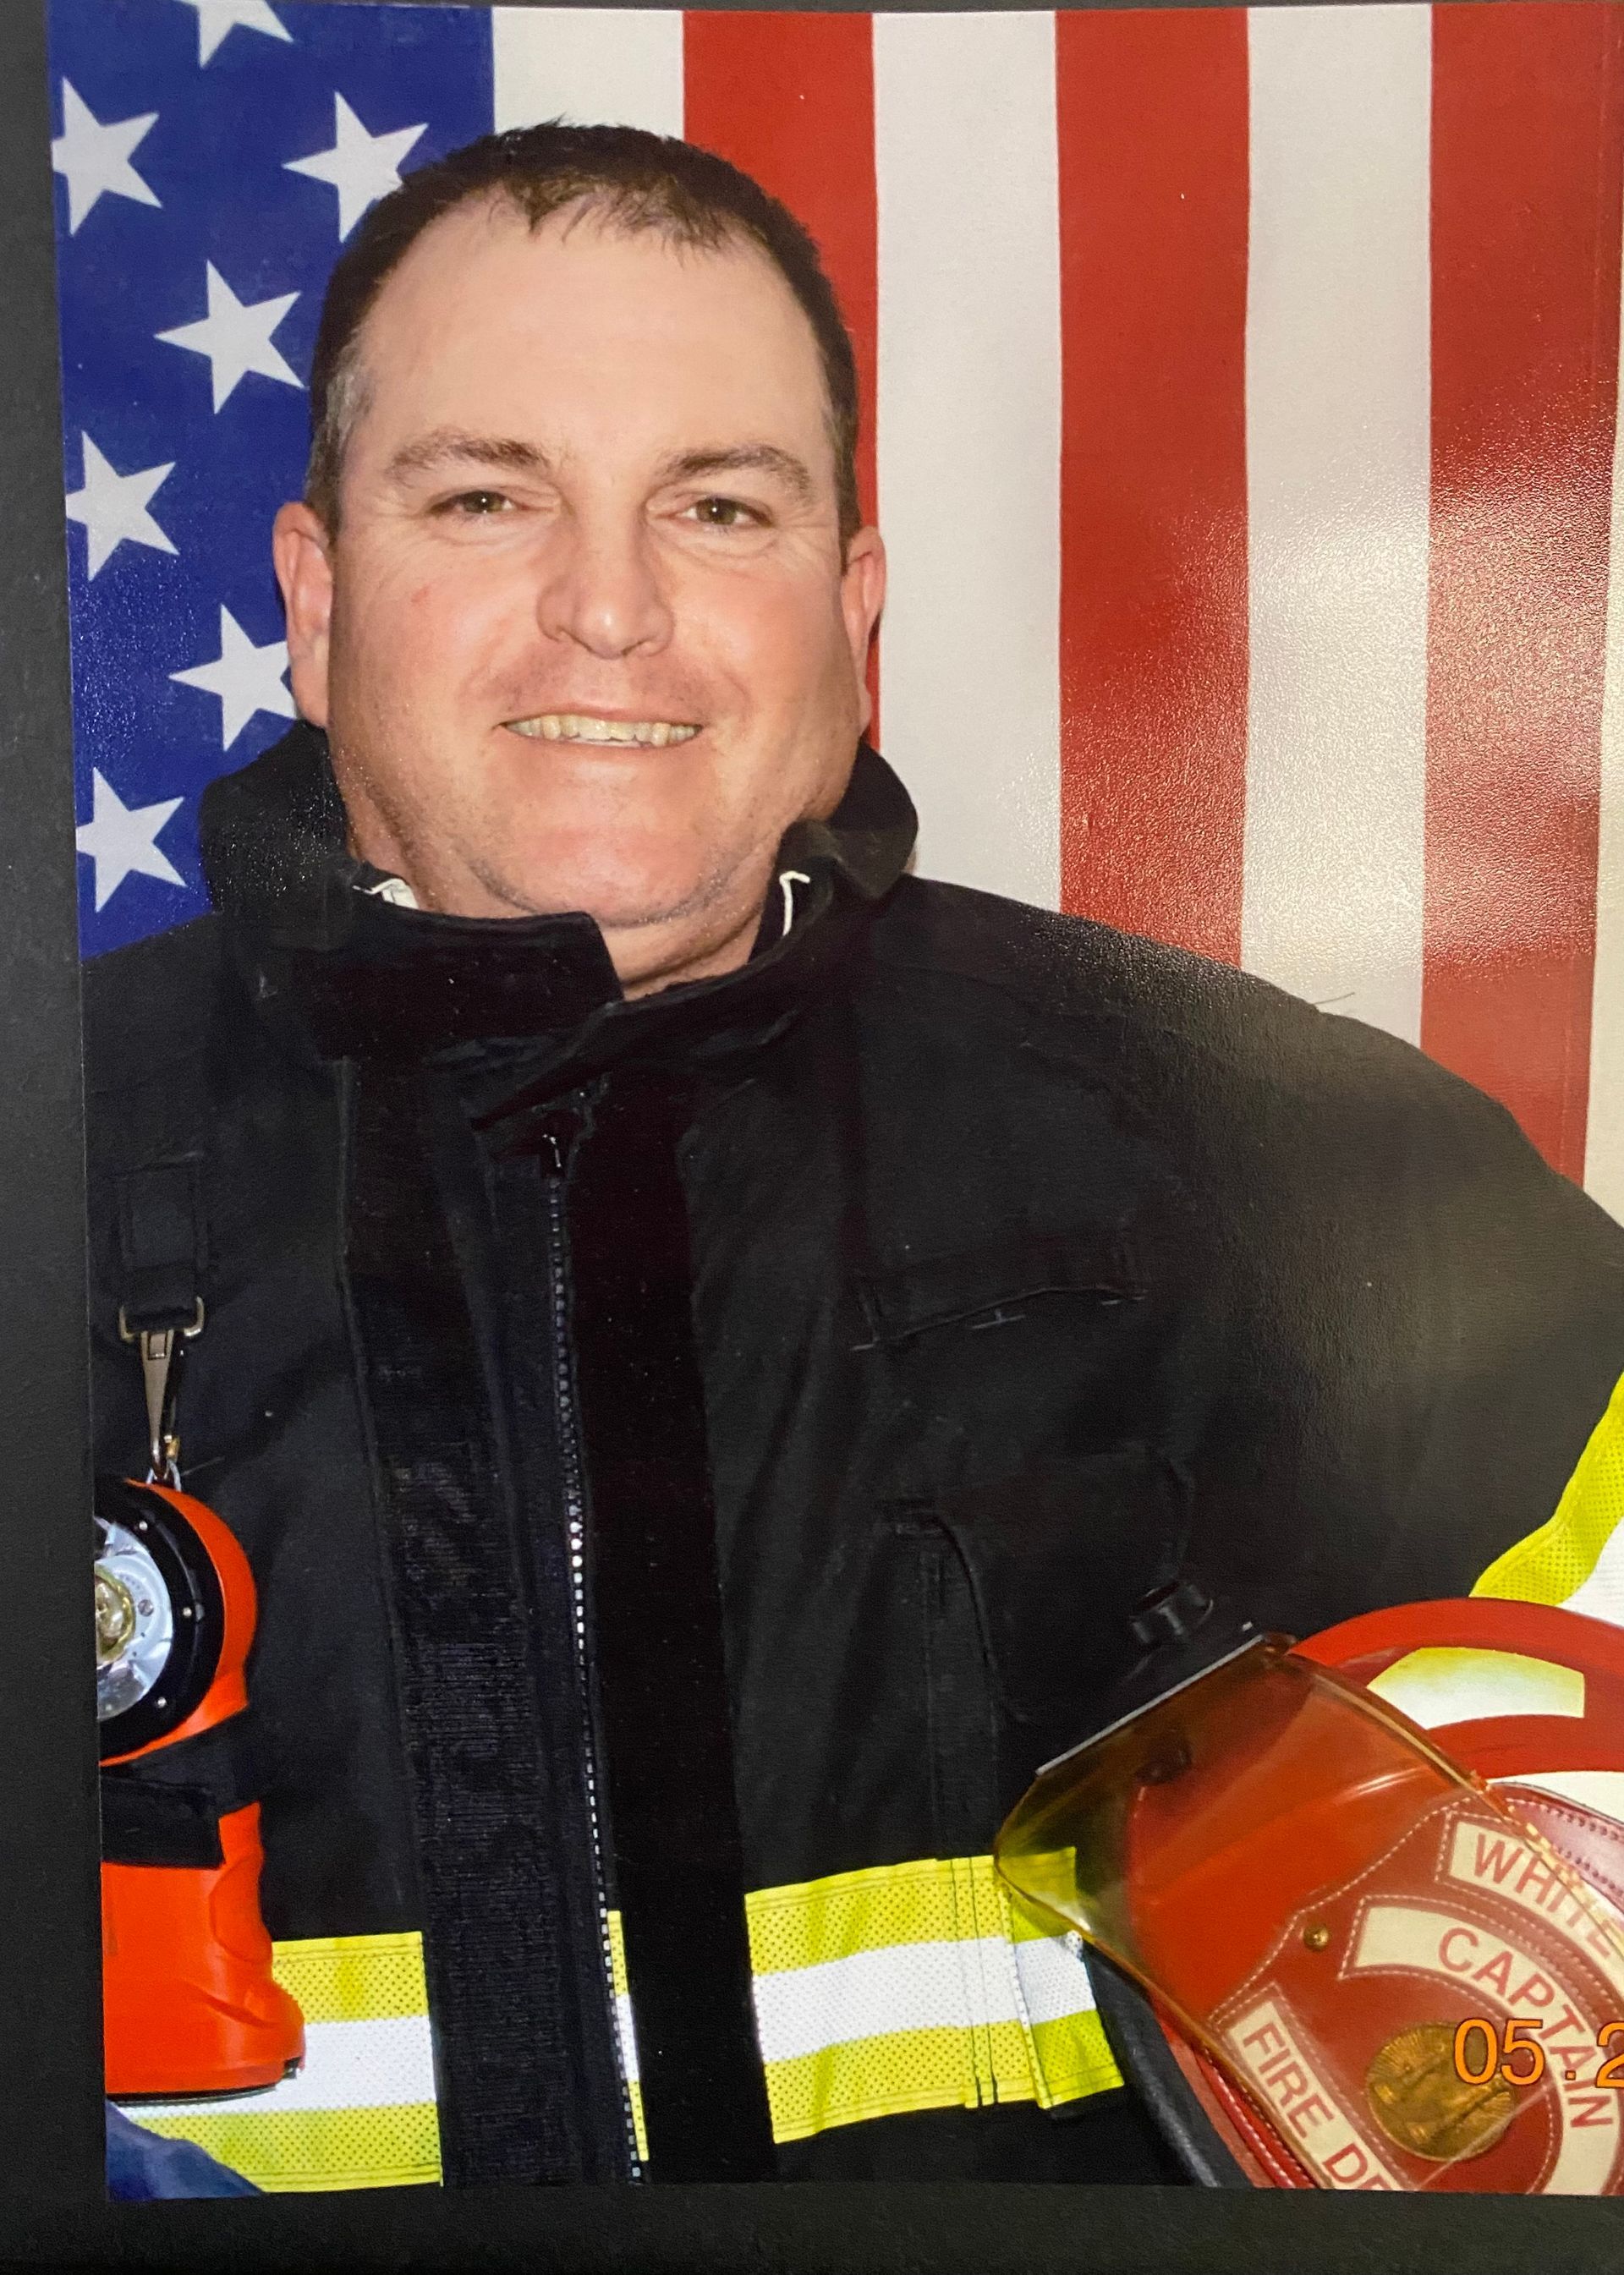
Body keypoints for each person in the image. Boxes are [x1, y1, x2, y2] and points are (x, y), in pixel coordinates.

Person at [80, 122, 1624, 2195]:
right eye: (484, 496)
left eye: (718, 506)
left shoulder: (1277, 1156)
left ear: (852, 606)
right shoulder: (47, 1160)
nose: (608, 609)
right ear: (316, 592)